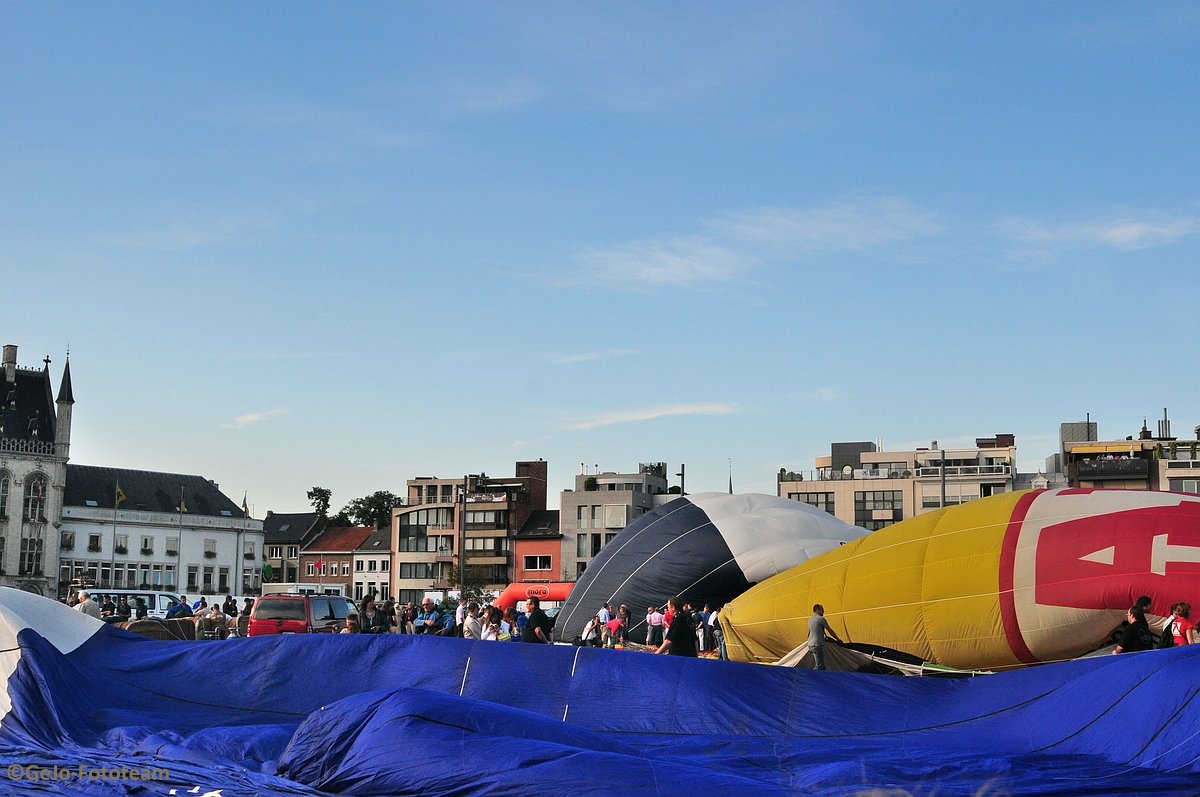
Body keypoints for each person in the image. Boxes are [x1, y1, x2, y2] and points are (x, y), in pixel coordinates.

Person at [808, 603, 842, 670]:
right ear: (818, 609)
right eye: (822, 610)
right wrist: (837, 639)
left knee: (821, 665)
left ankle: (821, 678)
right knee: (819, 666)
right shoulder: (821, 619)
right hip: (817, 645)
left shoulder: (810, 619)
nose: (823, 611)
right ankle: (812, 678)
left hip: (810, 644)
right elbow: (830, 630)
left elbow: (809, 632)